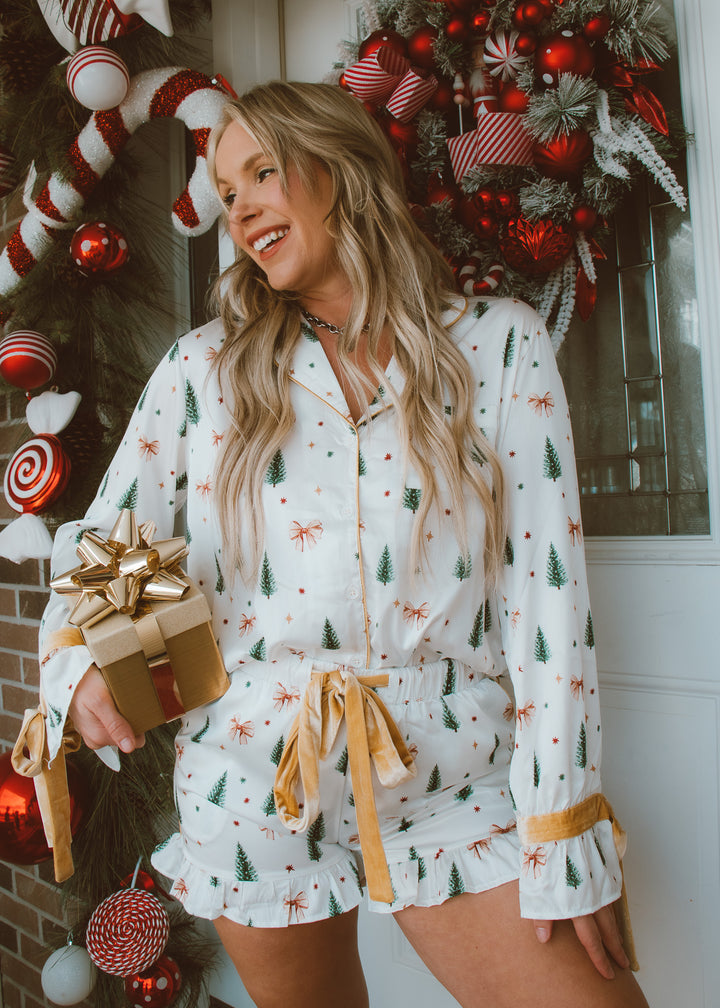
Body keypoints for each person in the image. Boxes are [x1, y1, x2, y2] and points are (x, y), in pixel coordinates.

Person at [39, 80, 650, 1008]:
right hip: (254, 783)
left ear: (341, 171)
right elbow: (99, 541)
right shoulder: (203, 370)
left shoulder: (498, 348)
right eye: (225, 188)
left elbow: (547, 601)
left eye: (263, 172)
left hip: (457, 776)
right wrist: (73, 665)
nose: (237, 206)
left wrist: (564, 817)